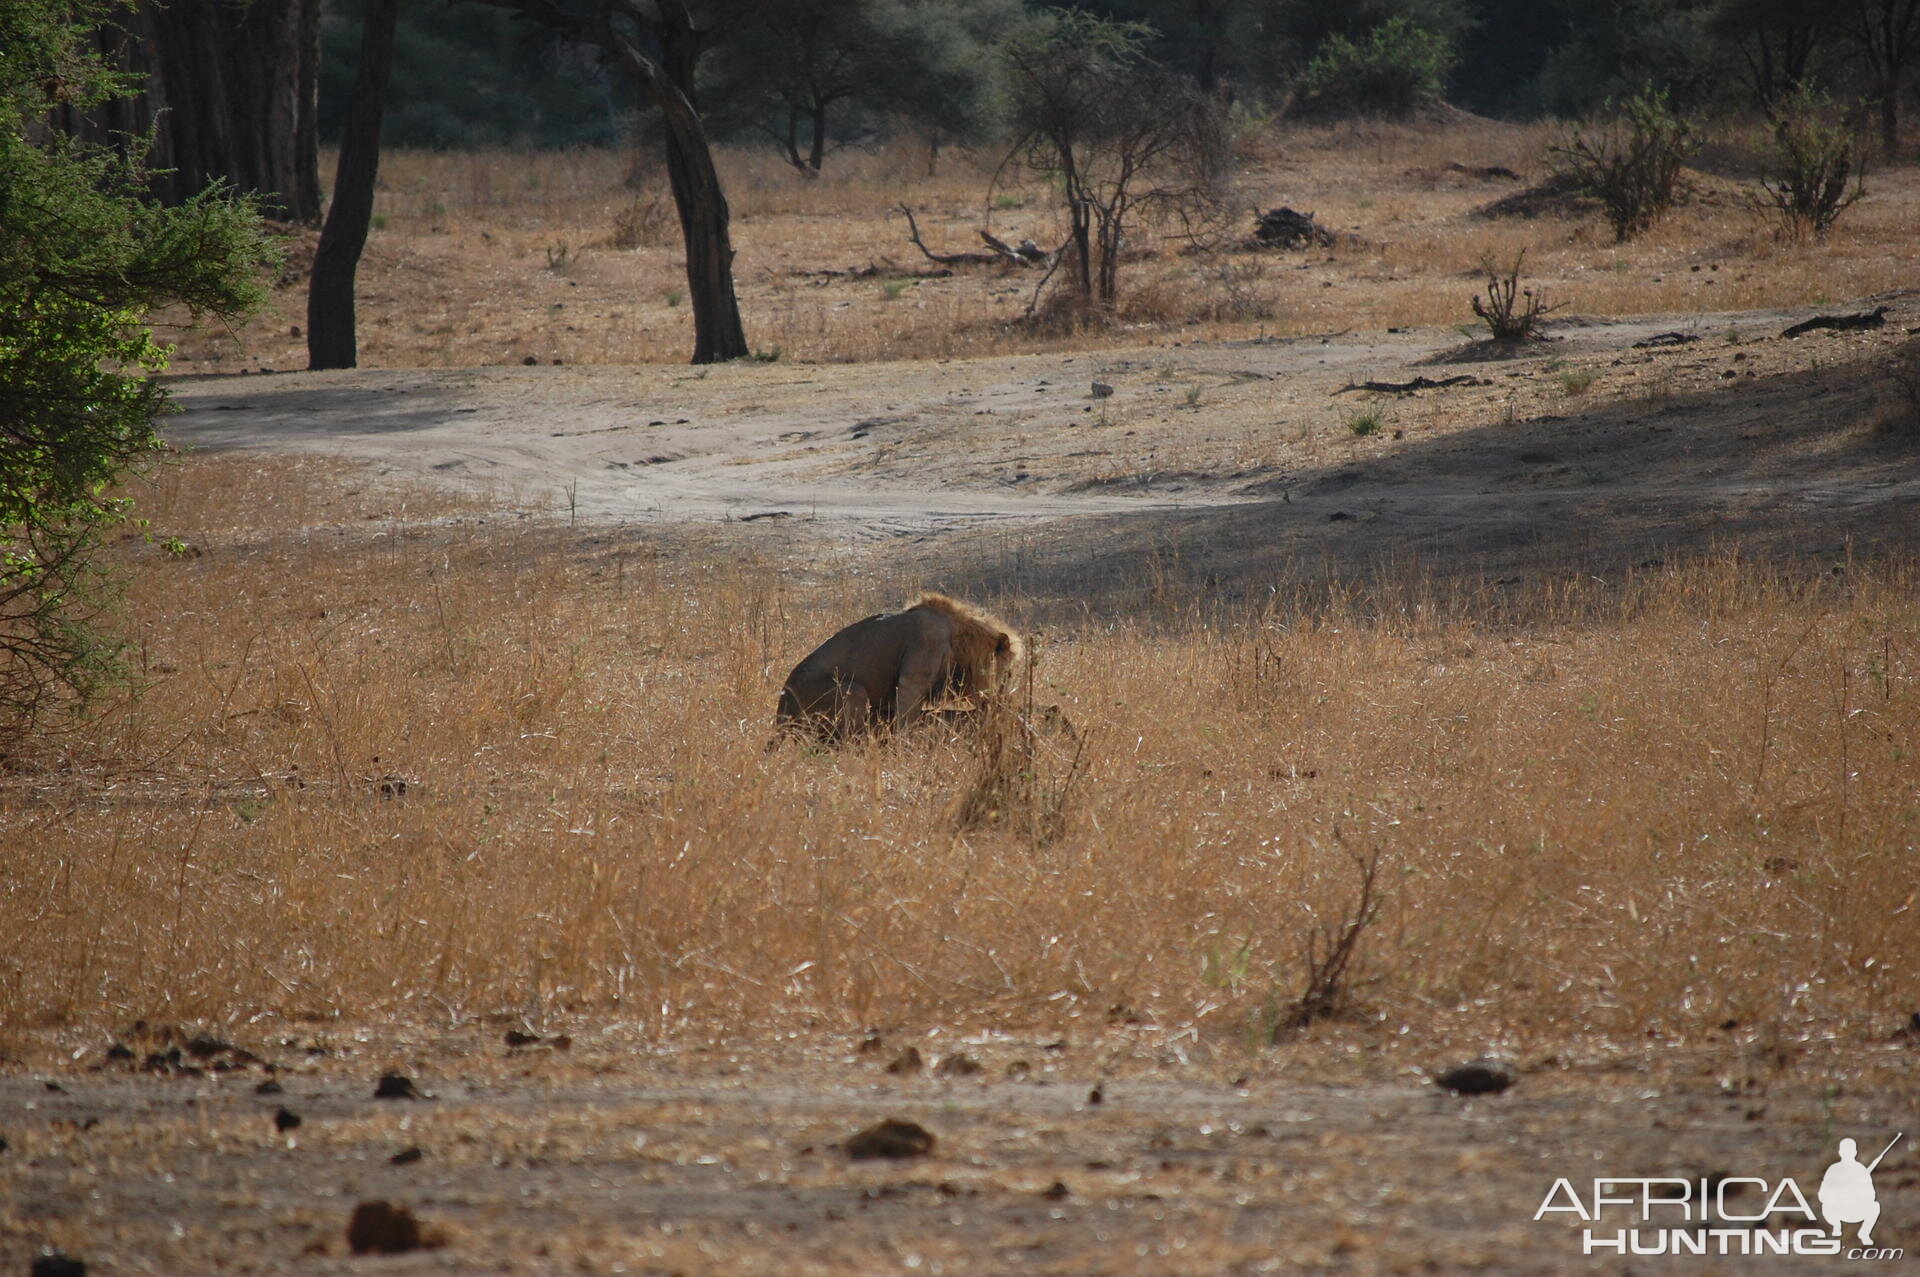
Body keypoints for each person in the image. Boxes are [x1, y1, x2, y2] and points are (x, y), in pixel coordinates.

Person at [1819, 1138, 1880, 1245]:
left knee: (1875, 1206)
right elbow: (1823, 1195)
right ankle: (1836, 1225)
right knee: (1826, 1206)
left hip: (1856, 1210)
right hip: (1837, 1210)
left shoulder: (1861, 1170)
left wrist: (1857, 1193)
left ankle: (1864, 1233)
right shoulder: (1833, 1170)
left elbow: (1871, 1196)